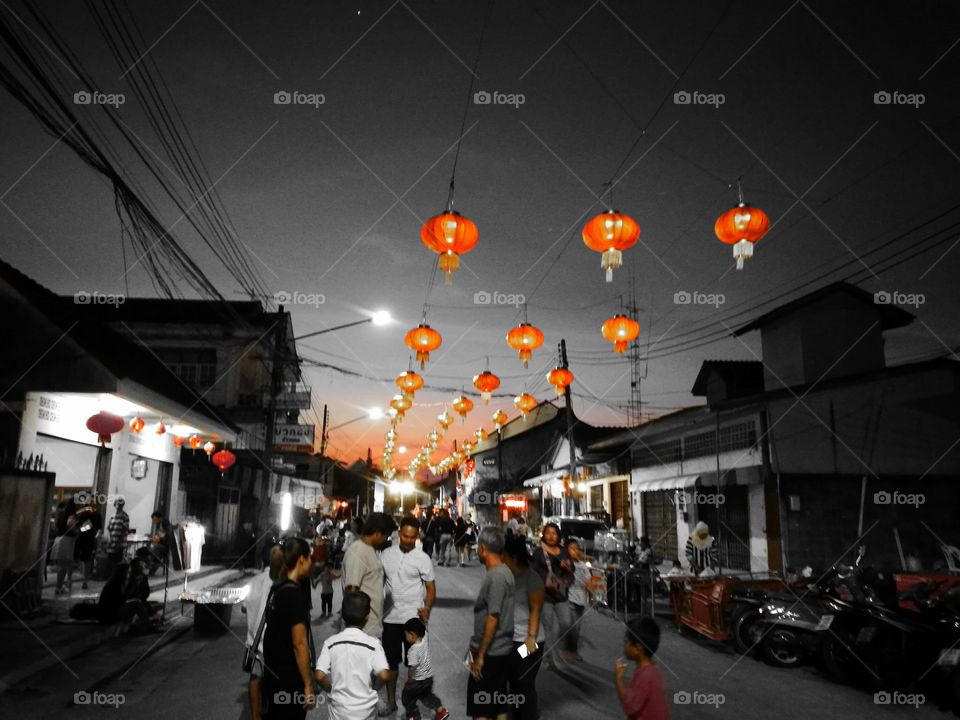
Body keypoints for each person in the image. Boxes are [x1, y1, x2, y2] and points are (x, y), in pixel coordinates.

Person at [381, 516, 436, 716]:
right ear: (399, 533)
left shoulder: (423, 558)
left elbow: (431, 588)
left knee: (416, 664)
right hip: (390, 619)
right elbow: (378, 582)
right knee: (390, 662)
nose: (408, 540)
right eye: (405, 536)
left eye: (413, 537)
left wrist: (427, 607)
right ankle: (390, 702)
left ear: (418, 536)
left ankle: (411, 704)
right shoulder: (386, 554)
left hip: (414, 620)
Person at [315, 591, 391, 720]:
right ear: (367, 618)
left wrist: (330, 690)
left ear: (342, 617)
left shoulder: (330, 643)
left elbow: (319, 675)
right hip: (365, 712)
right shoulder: (373, 644)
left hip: (338, 712)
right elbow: (384, 674)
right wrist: (375, 687)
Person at [262, 537, 316, 720]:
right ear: (302, 559)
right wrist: (308, 684)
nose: (311, 564)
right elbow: (299, 643)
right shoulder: (295, 596)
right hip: (290, 679)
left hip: (272, 674)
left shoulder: (276, 589)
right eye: (310, 559)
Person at [467, 527, 515, 720]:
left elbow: (493, 618)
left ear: (483, 549)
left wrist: (480, 657)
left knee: (482, 708)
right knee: (498, 703)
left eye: (478, 547)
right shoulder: (504, 572)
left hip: (491, 651)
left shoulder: (496, 576)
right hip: (501, 649)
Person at [502, 534, 544, 720]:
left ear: (514, 557)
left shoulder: (532, 579)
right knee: (512, 682)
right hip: (509, 641)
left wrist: (531, 638)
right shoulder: (506, 576)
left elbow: (535, 610)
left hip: (529, 642)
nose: (501, 559)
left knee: (524, 683)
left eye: (505, 555)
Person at [245, 545, 285, 720]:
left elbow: (244, 608)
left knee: (256, 677)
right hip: (274, 641)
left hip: (254, 640)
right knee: (276, 680)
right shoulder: (280, 583)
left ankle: (255, 715)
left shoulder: (254, 581)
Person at [343, 512, 396, 640]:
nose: (385, 540)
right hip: (363, 630)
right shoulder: (359, 551)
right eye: (386, 536)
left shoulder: (371, 550)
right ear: (377, 533)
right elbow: (351, 591)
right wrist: (355, 632)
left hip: (371, 626)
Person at [531, 522, 575, 668]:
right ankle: (551, 658)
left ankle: (551, 651)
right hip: (545, 595)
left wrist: (567, 565)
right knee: (548, 627)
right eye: (548, 533)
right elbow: (533, 571)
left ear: (558, 535)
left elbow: (571, 569)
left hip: (561, 594)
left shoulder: (563, 551)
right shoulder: (538, 552)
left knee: (566, 623)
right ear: (543, 534)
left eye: (554, 533)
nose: (551, 536)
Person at [614, 618, 670, 720]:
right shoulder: (654, 670)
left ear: (637, 649)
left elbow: (629, 707)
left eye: (626, 641)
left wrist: (618, 679)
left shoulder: (645, 675)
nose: (624, 645)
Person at [401, 617, 449, 720]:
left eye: (406, 635)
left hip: (417, 681)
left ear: (412, 635)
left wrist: (409, 680)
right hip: (428, 678)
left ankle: (414, 716)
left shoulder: (413, 650)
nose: (405, 638)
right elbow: (424, 629)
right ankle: (440, 710)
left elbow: (413, 668)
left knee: (407, 698)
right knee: (426, 696)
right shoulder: (424, 640)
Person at [565, 538, 591, 661]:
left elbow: (588, 583)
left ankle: (571, 650)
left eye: (577, 549)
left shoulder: (583, 566)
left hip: (581, 601)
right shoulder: (566, 564)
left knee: (577, 627)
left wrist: (593, 595)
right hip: (570, 599)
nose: (575, 551)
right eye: (572, 548)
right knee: (572, 627)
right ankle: (570, 651)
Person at [73, 500, 102, 590]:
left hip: (89, 539)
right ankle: (75, 579)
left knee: (87, 560)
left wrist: (96, 537)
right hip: (80, 538)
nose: (92, 505)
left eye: (94, 503)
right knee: (77, 559)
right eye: (90, 503)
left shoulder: (97, 515)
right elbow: (75, 522)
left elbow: (99, 529)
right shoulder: (83, 513)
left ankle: (85, 580)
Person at [52, 514, 78, 594]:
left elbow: (55, 527)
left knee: (64, 565)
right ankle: (58, 587)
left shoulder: (62, 514)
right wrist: (79, 530)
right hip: (66, 541)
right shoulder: (70, 513)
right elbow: (71, 526)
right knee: (62, 566)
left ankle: (60, 585)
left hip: (61, 539)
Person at [105, 498, 130, 578]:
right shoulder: (112, 516)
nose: (119, 506)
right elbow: (109, 528)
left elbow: (125, 530)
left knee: (117, 560)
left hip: (119, 542)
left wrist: (119, 542)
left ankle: (116, 577)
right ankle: (110, 577)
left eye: (121, 505)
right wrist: (109, 539)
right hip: (112, 541)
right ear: (115, 505)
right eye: (118, 505)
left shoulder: (125, 516)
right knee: (110, 560)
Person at [148, 511, 172, 576]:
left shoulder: (165, 522)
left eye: (155, 519)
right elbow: (159, 534)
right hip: (161, 544)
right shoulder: (159, 524)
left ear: (159, 518)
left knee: (153, 548)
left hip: (165, 546)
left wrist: (158, 538)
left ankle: (155, 564)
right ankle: (153, 564)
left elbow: (166, 535)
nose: (154, 521)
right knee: (149, 547)